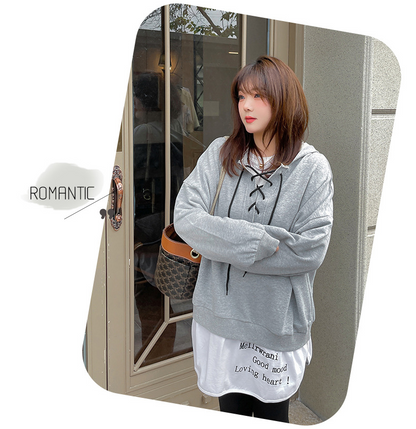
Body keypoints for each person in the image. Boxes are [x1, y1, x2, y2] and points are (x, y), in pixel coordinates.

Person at [173, 56, 334, 422]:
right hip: (220, 319)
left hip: (275, 324)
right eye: (242, 96)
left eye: (258, 95)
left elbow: (310, 250)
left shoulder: (312, 169)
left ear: (284, 99)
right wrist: (256, 242)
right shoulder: (220, 154)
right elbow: (186, 218)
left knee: (273, 416)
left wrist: (221, 242)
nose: (246, 105)